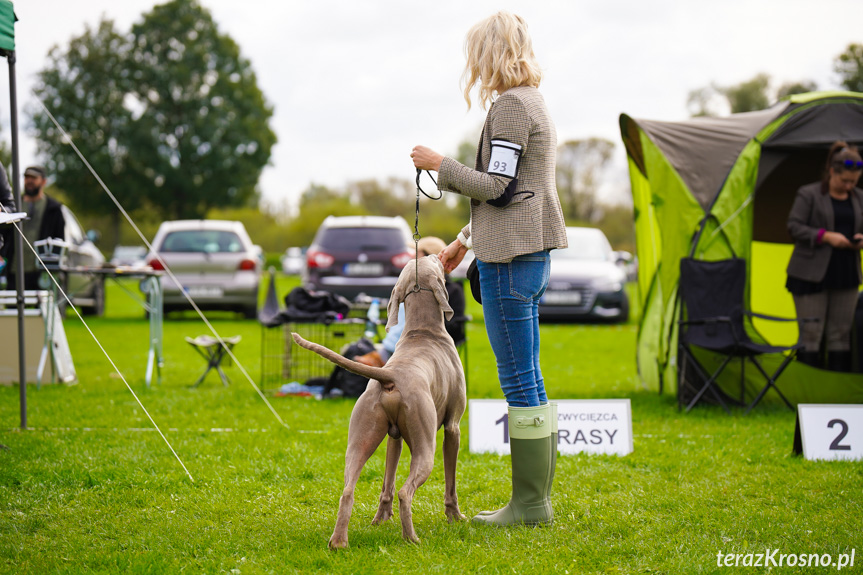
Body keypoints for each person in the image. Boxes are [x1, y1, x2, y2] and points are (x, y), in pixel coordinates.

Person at [411, 11, 567, 527]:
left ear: (490, 54)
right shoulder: (535, 102)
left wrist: (439, 165)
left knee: (518, 378)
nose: (472, 66)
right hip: (528, 253)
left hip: (509, 262)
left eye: (476, 54)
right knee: (531, 377)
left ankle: (529, 505)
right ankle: (535, 502)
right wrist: (461, 242)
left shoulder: (510, 108)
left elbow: (496, 187)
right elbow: (518, 195)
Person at [786, 142, 863, 372]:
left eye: (853, 181)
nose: (848, 186)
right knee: (811, 332)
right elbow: (794, 226)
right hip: (810, 274)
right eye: (844, 181)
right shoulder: (809, 194)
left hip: (846, 272)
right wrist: (825, 236)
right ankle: (809, 390)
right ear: (831, 172)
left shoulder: (859, 198)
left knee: (840, 333)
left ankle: (835, 391)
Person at [355, 236, 466, 366]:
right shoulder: (415, 283)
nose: (412, 257)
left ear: (428, 256)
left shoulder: (451, 290)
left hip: (432, 337)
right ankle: (384, 356)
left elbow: (454, 324)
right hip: (412, 338)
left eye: (416, 253)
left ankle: (383, 357)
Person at [2, 166, 65, 290]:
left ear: (43, 181)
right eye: (27, 177)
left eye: (34, 178)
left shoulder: (53, 209)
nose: (29, 181)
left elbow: (59, 239)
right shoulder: (13, 206)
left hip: (41, 272)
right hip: (14, 270)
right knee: (12, 307)